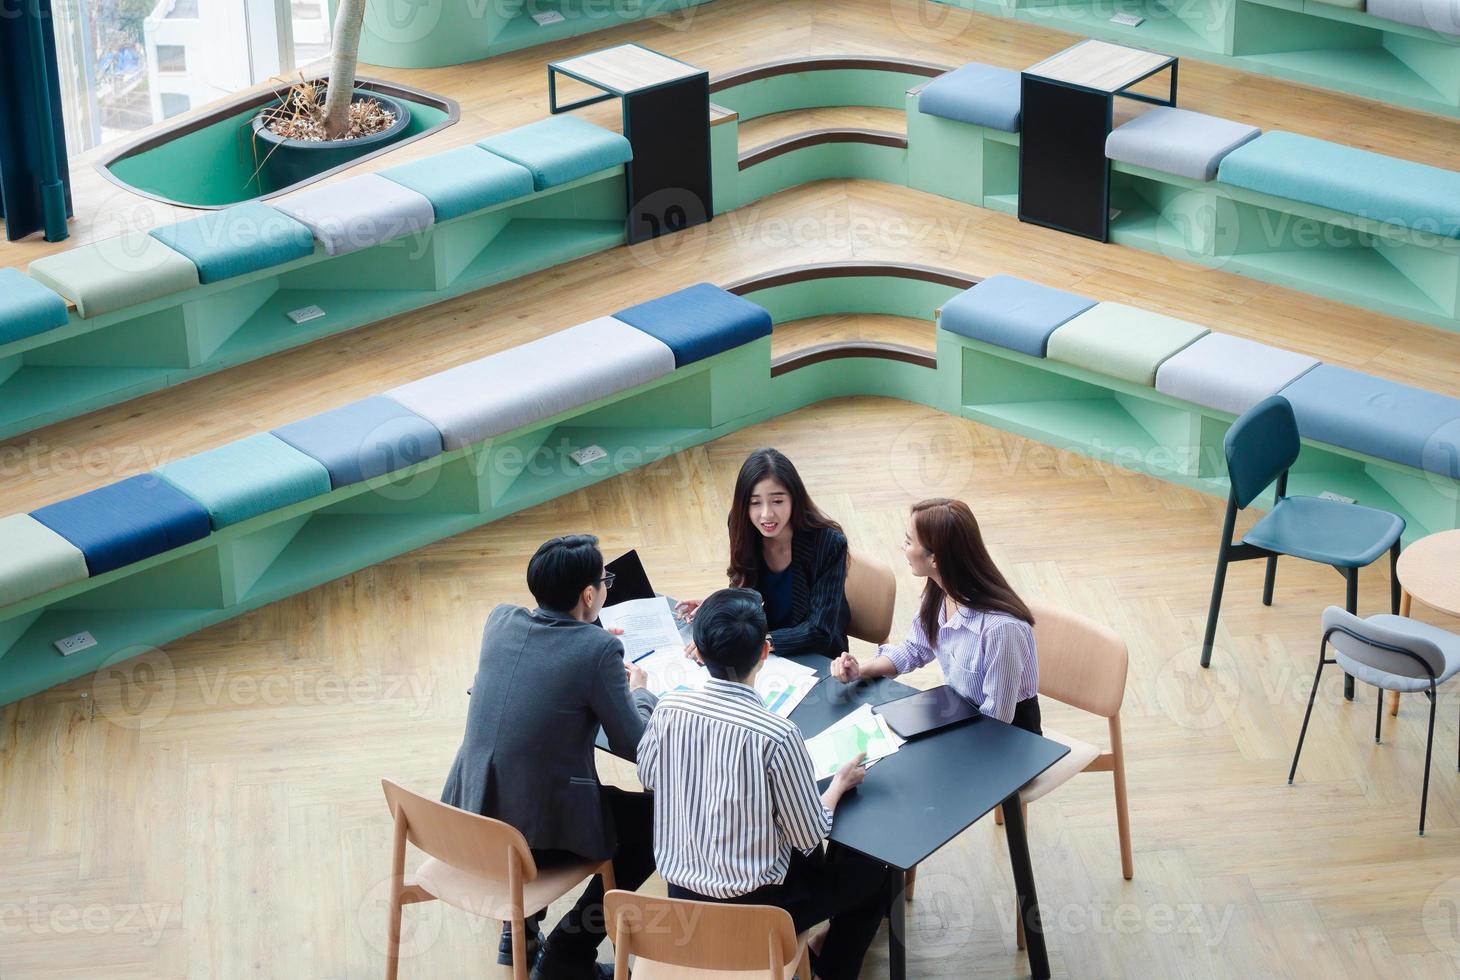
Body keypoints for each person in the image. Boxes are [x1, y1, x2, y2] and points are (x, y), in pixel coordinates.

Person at [639, 589, 889, 980]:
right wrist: (838, 784)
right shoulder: (777, 735)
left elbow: (650, 779)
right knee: (876, 868)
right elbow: (808, 834)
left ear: (698, 652)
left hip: (681, 903)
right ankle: (831, 967)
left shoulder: (666, 710)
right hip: (762, 914)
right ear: (765, 651)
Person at [441, 534, 657, 980]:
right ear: (588, 595)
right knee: (661, 823)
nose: (606, 587)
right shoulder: (599, 652)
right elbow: (635, 745)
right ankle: (568, 953)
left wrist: (586, 632)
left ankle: (518, 927)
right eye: (605, 581)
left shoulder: (499, 620)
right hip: (531, 841)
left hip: (469, 819)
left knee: (523, 769)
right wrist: (641, 693)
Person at [831, 498, 1042, 733]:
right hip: (965, 716)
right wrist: (861, 670)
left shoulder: (1001, 629)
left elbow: (998, 718)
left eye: (909, 541)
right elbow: (913, 650)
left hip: (1007, 735)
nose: (903, 547)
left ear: (935, 558)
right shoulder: (940, 594)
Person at [679, 448, 850, 659]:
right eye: (755, 502)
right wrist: (718, 609)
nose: (766, 514)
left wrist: (753, 643)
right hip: (763, 651)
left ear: (794, 499)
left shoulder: (828, 543)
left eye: (777, 501)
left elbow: (820, 631)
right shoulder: (742, 524)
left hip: (815, 656)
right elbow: (743, 586)